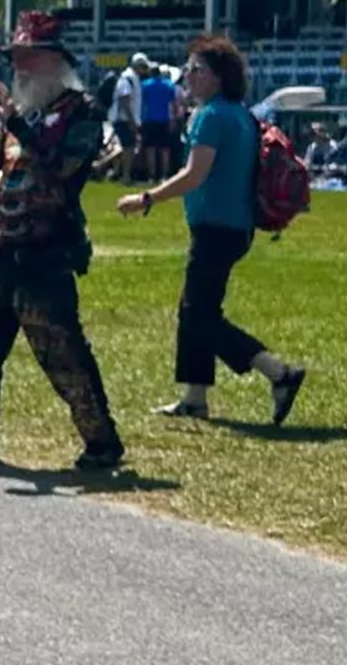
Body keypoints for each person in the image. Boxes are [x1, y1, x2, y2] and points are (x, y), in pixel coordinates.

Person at [0, 12, 123, 471]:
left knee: (61, 350)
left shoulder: (82, 111)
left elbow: (62, 167)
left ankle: (101, 441)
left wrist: (15, 119)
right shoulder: (21, 111)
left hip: (45, 250)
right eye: (14, 57)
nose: (17, 66)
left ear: (54, 60)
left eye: (27, 56)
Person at [114, 36, 308, 423]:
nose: (188, 74)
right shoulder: (239, 114)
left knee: (199, 314)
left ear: (218, 77)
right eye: (188, 68)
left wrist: (147, 198)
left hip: (217, 227)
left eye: (196, 69)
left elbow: (194, 174)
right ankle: (194, 397)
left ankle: (278, 372)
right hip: (234, 227)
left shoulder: (211, 117)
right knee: (195, 309)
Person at [136, 53, 179, 183]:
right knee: (165, 149)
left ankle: (152, 176)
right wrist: (174, 119)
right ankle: (164, 175)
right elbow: (173, 105)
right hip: (164, 119)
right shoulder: (168, 85)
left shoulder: (145, 85)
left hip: (149, 119)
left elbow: (141, 103)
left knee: (150, 149)